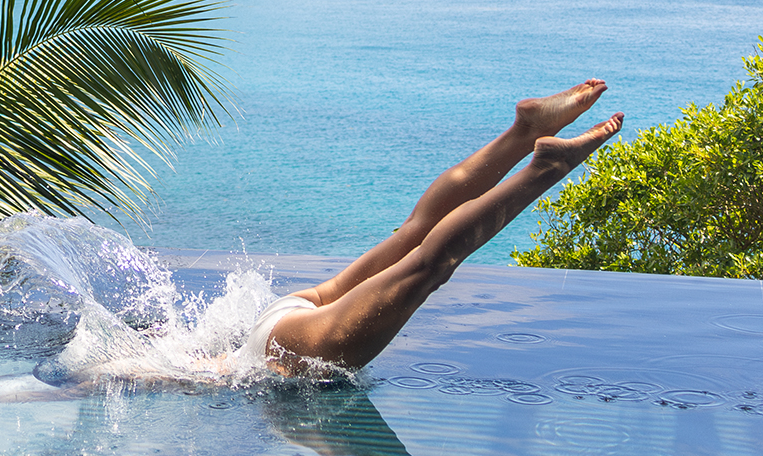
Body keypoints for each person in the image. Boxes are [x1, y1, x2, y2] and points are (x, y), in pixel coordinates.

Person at [255, 80, 623, 376]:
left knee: (428, 267)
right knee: (415, 231)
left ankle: (544, 169)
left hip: (294, 348)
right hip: (296, 310)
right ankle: (524, 132)